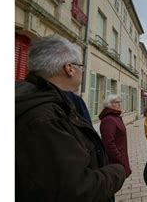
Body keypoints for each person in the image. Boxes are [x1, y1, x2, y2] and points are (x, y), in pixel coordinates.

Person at [15, 35, 126, 202]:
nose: (82, 70)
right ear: (69, 68)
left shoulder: (42, 102)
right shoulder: (45, 117)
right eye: (80, 66)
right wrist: (118, 171)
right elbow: (76, 188)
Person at [99, 94, 132, 181]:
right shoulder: (109, 120)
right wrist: (120, 158)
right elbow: (108, 143)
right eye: (116, 102)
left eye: (120, 102)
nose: (119, 104)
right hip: (114, 160)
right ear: (109, 104)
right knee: (112, 185)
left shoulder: (115, 117)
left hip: (120, 157)